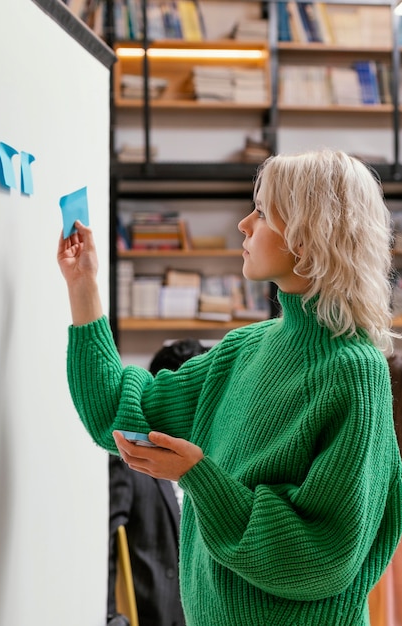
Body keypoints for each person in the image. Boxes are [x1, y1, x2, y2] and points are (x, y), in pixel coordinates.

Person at [58, 149, 402, 626]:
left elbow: (324, 557)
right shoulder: (245, 348)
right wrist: (83, 286)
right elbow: (119, 410)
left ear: (308, 235)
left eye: (261, 212)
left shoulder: (352, 371)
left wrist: (200, 477)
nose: (244, 224)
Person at [107, 339, 208, 626]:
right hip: (153, 614)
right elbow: (109, 538)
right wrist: (113, 615)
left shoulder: (214, 461)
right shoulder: (128, 461)